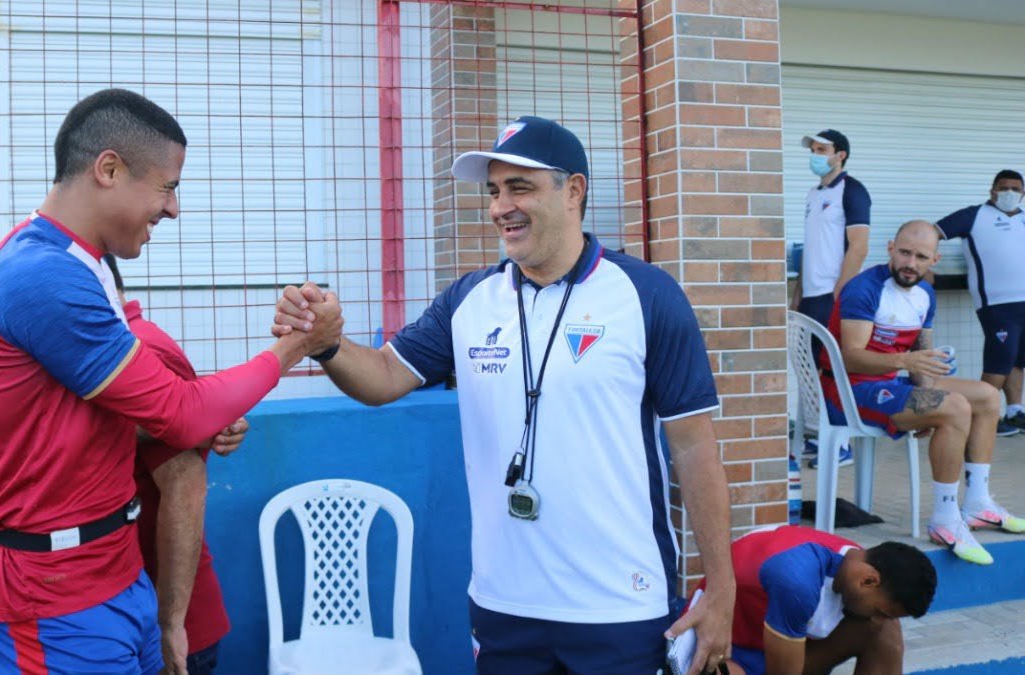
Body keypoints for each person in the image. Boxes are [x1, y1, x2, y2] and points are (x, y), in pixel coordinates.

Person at [273, 116, 735, 674]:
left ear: (574, 191)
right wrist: (327, 345)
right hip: (503, 605)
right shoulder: (469, 300)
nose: (499, 207)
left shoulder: (646, 295)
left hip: (620, 604)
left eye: (520, 187)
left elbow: (694, 448)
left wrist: (721, 590)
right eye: (494, 191)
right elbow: (383, 377)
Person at [0, 88, 341, 673]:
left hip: (115, 572)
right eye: (168, 187)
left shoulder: (83, 265)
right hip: (52, 598)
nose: (173, 209)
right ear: (109, 169)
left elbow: (114, 416)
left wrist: (202, 420)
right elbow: (179, 413)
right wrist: (297, 347)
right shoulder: (39, 273)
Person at [822, 220, 1025, 566]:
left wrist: (928, 403)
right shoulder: (864, 289)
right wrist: (909, 366)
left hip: (888, 383)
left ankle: (977, 503)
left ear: (935, 260)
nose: (910, 263)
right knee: (956, 407)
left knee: (988, 397)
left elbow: (923, 363)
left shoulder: (924, 295)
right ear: (890, 248)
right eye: (904, 252)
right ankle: (945, 520)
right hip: (850, 390)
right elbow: (851, 357)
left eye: (920, 256)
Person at [103, 254, 238, 675]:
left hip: (165, 628)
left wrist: (170, 623)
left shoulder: (141, 350)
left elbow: (184, 487)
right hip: (125, 614)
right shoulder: (104, 347)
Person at [708, 526, 936, 675]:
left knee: (885, 632)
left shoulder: (857, 561)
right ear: (868, 581)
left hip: (776, 648)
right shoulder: (797, 581)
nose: (878, 619)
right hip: (723, 648)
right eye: (879, 611)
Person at [794, 129, 871, 468]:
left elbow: (859, 245)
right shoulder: (814, 194)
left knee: (831, 368)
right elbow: (810, 250)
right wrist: (796, 295)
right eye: (813, 149)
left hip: (832, 295)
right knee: (809, 367)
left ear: (840, 154)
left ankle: (842, 444)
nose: (815, 154)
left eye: (821, 149)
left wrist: (842, 290)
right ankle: (819, 435)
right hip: (810, 295)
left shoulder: (852, 191)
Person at [937, 170, 1025, 438]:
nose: (1009, 193)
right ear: (992, 191)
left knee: (1017, 360)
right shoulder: (973, 216)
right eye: (1003, 187)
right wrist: (922, 265)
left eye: (1015, 188)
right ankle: (975, 417)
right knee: (998, 365)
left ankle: (1013, 413)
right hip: (996, 305)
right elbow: (933, 232)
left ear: (1023, 193)